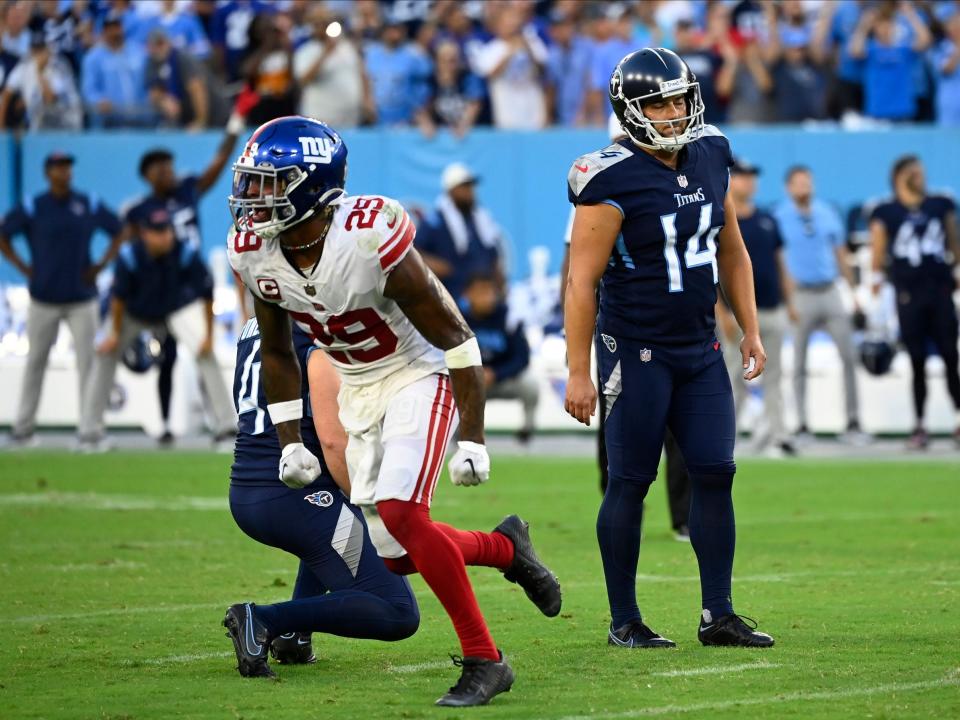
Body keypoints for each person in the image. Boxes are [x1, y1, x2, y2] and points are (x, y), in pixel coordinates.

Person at [226, 116, 561, 707]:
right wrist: (289, 442)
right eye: (251, 183)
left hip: (419, 371)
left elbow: (456, 337)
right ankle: (507, 548)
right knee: (398, 554)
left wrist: (474, 436)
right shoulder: (256, 252)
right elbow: (277, 350)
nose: (254, 200)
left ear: (311, 186)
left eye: (269, 184)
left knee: (406, 514)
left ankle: (486, 660)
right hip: (356, 385)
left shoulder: (367, 232)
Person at [564, 48, 774, 650]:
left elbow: (730, 248)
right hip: (635, 350)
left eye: (680, 97)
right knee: (630, 480)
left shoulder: (711, 151)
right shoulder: (607, 176)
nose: (674, 109)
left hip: (700, 347)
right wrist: (578, 370)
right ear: (630, 111)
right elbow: (581, 282)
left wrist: (750, 329)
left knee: (716, 471)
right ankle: (624, 619)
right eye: (658, 100)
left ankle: (719, 615)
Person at [223, 318, 420, 677]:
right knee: (397, 610)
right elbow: (332, 441)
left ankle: (292, 635)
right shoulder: (316, 328)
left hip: (249, 487)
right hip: (294, 494)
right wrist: (373, 509)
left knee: (331, 534)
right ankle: (264, 620)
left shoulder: (256, 324)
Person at [559, 113, 691, 539]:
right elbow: (575, 272)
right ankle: (615, 501)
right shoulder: (602, 182)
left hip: (669, 320)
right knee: (615, 418)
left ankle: (682, 514)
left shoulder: (676, 173)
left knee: (680, 422)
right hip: (617, 322)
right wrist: (574, 342)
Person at [122, 112, 245, 442]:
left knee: (202, 352)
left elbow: (218, 165)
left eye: (170, 166)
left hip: (189, 288)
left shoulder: (187, 190)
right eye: (161, 169)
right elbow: (125, 249)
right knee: (166, 358)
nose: (169, 173)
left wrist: (234, 125)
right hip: (156, 289)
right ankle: (163, 424)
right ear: (148, 176)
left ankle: (223, 423)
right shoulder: (139, 210)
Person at [78, 208, 236, 451]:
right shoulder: (130, 255)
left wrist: (207, 334)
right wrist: (114, 334)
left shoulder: (184, 251)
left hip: (176, 309)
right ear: (145, 233)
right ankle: (90, 432)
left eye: (167, 230)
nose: (165, 237)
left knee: (206, 354)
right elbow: (118, 299)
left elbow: (206, 293)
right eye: (158, 232)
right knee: (105, 354)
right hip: (135, 313)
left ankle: (226, 428)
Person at [0, 152, 124, 446]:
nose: (64, 172)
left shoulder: (87, 203)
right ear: (47, 173)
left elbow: (119, 231)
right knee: (35, 363)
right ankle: (23, 428)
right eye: (58, 167)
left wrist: (102, 265)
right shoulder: (34, 206)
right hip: (43, 297)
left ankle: (90, 430)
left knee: (89, 365)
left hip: (82, 298)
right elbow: (3, 234)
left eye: (67, 167)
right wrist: (22, 267)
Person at [868, 156, 960, 448]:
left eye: (921, 171)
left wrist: (956, 269)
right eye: (913, 172)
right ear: (898, 176)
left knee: (950, 356)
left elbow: (953, 240)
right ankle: (920, 425)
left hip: (940, 290)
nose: (920, 176)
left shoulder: (939, 204)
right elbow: (877, 253)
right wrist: (881, 286)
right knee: (917, 360)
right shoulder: (886, 211)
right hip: (909, 294)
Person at [774, 166, 865, 442]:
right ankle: (802, 424)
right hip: (800, 293)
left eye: (808, 182)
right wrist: (786, 298)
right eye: (799, 183)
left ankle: (853, 423)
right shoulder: (780, 216)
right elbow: (778, 261)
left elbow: (840, 253)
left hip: (829, 290)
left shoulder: (827, 213)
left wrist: (854, 294)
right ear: (788, 187)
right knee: (799, 362)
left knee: (849, 356)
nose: (804, 187)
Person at [717, 159, 796, 456]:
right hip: (736, 316)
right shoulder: (720, 219)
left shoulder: (767, 219)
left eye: (752, 176)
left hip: (771, 309)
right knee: (732, 377)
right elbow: (711, 270)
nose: (749, 182)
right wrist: (721, 312)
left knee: (774, 376)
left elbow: (780, 263)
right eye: (742, 176)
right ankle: (727, 439)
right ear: (730, 180)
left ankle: (778, 436)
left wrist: (790, 301)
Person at [460, 274, 539, 443]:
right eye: (480, 291)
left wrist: (496, 373)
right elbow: (446, 353)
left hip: (501, 379)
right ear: (467, 294)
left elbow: (522, 358)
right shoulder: (458, 319)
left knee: (530, 384)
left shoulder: (509, 317)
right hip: (471, 381)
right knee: (447, 384)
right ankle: (457, 432)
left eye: (490, 291)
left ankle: (527, 431)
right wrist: (472, 373)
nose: (486, 296)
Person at [415, 162, 506, 303]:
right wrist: (436, 265)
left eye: (471, 186)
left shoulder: (482, 219)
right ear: (451, 190)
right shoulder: (435, 221)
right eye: (464, 186)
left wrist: (500, 284)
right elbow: (415, 253)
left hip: (484, 296)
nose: (470, 191)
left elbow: (493, 254)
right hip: (452, 294)